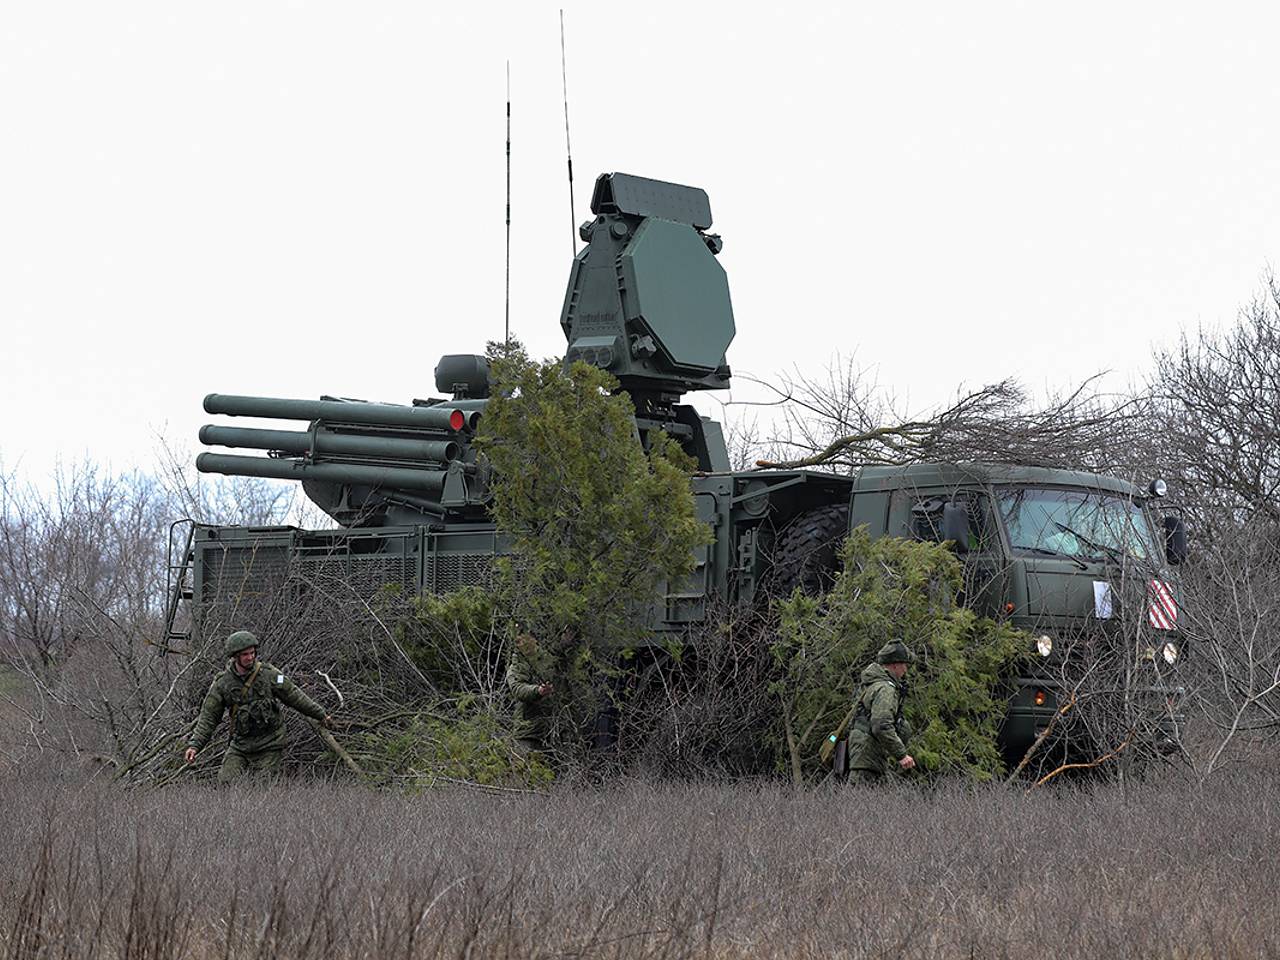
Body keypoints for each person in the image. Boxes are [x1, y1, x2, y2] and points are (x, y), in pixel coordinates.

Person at [183, 630, 333, 783]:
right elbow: (208, 718)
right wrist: (195, 746)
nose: (250, 657)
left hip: (270, 743)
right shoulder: (222, 683)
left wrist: (321, 714)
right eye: (245, 655)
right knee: (225, 782)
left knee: (262, 786)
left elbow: (295, 696)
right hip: (240, 745)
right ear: (235, 657)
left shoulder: (270, 674)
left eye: (252, 653)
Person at [845, 638, 916, 783]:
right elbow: (881, 725)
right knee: (859, 802)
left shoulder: (871, 683)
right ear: (895, 665)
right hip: (867, 756)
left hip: (865, 755)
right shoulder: (885, 689)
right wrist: (901, 755)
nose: (905, 670)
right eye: (904, 665)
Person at [506, 631, 554, 754]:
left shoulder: (549, 660)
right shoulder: (515, 668)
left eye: (525, 639)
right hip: (528, 733)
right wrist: (538, 691)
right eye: (518, 641)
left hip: (553, 730)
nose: (522, 644)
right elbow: (518, 689)